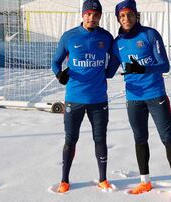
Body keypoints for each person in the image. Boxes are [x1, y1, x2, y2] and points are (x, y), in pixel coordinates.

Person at [106, 0, 171, 201]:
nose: (126, 19)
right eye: (122, 16)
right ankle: (145, 181)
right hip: (133, 99)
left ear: (136, 15)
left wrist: (142, 69)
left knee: (167, 138)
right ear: (118, 19)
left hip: (156, 95)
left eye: (129, 14)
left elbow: (164, 66)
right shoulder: (117, 44)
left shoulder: (150, 34)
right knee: (140, 139)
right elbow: (108, 72)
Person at [52, 0, 114, 193]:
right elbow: (56, 61)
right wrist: (59, 74)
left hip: (98, 99)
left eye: (96, 15)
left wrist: (109, 72)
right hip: (74, 98)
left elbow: (117, 56)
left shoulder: (106, 37)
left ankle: (103, 179)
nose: (91, 18)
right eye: (88, 14)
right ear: (82, 15)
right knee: (71, 139)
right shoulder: (69, 36)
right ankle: (64, 180)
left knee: (100, 139)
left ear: (100, 17)